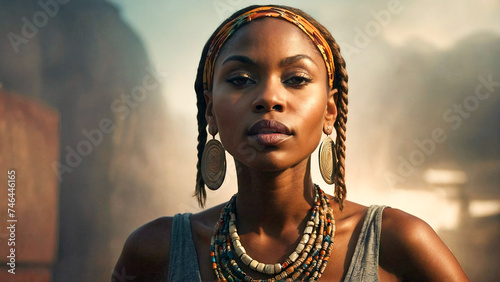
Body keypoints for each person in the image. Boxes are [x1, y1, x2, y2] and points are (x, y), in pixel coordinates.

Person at [113, 5, 469, 281]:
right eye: (240, 79)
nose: (269, 97)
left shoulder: (396, 244)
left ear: (330, 111)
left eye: (296, 79)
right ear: (210, 111)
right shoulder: (155, 252)